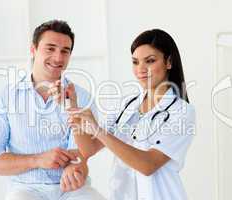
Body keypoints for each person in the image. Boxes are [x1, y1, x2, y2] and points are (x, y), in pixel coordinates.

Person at [0, 19, 105, 200]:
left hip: (71, 190)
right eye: (50, 48)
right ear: (33, 49)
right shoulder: (6, 97)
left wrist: (77, 165)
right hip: (26, 190)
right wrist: (37, 159)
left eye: (65, 51)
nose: (58, 58)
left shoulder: (82, 97)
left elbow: (82, 152)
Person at [67, 29, 196, 200]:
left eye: (149, 61)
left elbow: (147, 165)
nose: (140, 69)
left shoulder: (182, 111)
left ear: (169, 62)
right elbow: (89, 149)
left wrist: (98, 129)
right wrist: (72, 105)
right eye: (135, 62)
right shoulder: (127, 104)